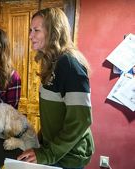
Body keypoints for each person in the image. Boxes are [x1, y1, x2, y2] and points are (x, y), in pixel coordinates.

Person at [17, 7, 94, 169]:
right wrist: (41, 144)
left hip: (69, 156)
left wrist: (47, 153)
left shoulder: (69, 64)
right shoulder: (52, 63)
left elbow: (81, 120)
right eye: (31, 30)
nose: (30, 35)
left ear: (54, 32)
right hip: (54, 150)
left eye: (36, 30)